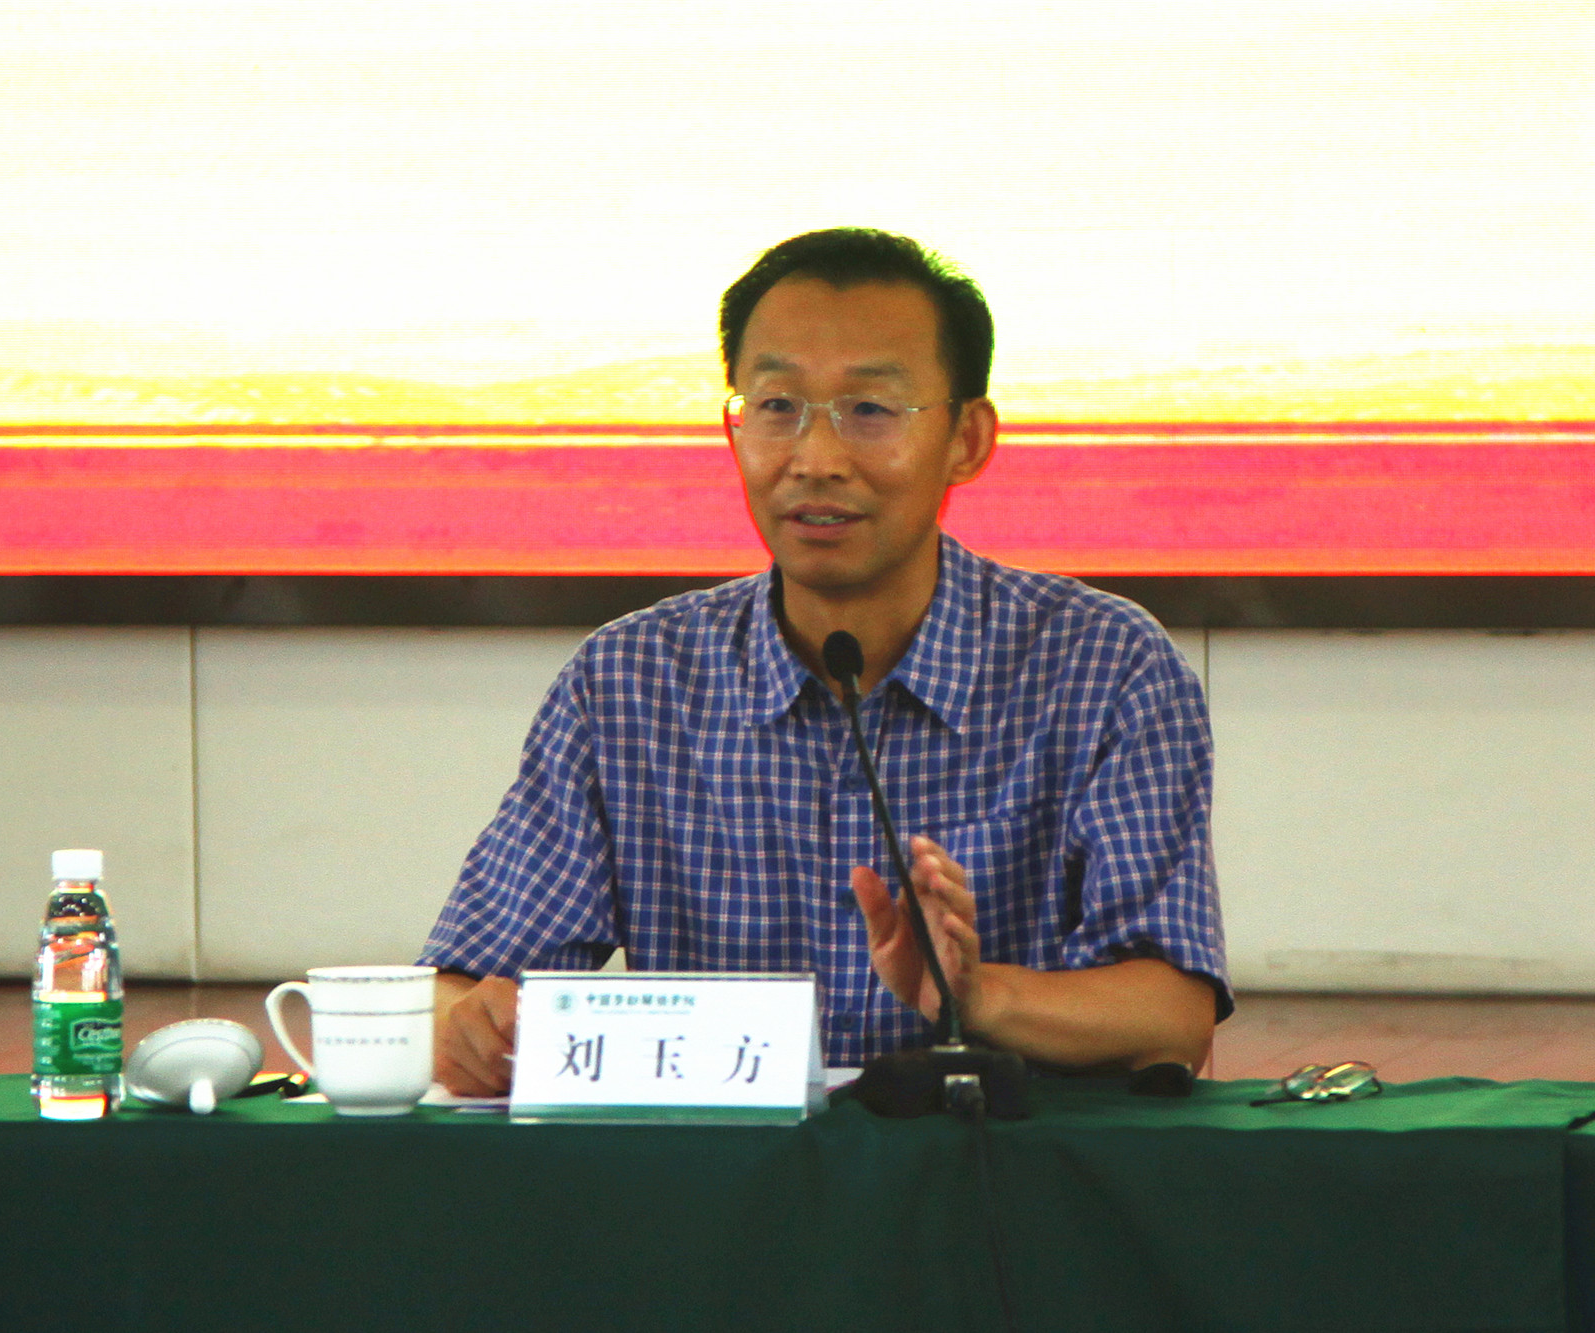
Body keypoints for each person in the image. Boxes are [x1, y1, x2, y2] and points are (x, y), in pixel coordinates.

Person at [425, 228, 1229, 1094]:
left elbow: (1170, 1015)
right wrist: (475, 1027)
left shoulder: (1105, 668)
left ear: (967, 438)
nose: (815, 460)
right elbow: (458, 991)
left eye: (870, 410)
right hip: (729, 1174)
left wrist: (975, 995)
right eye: (777, 406)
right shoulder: (629, 682)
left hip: (991, 1168)